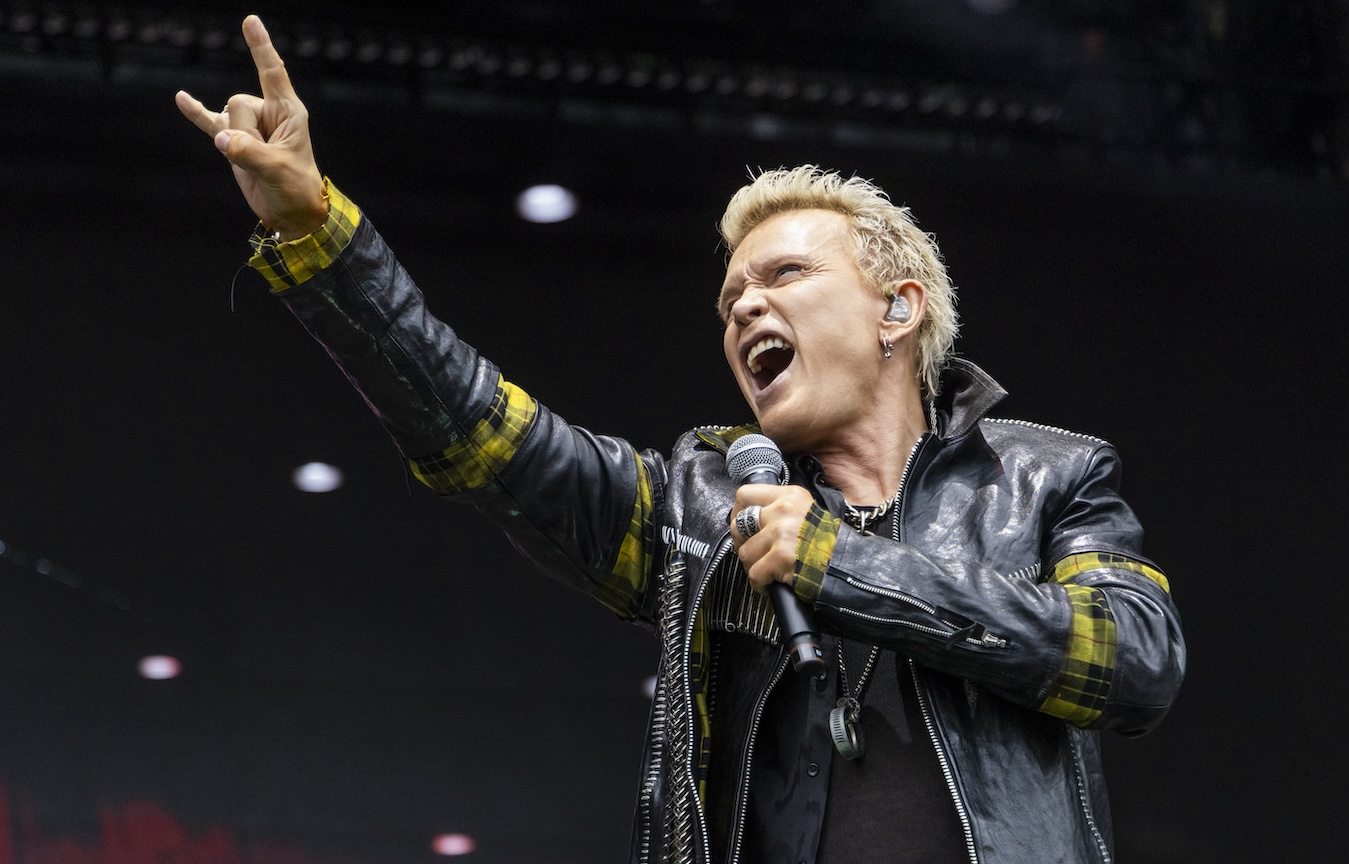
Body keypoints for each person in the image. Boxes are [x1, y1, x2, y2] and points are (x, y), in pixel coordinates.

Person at [178, 16, 1185, 864]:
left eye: (783, 276)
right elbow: (480, 432)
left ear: (897, 309)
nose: (744, 305)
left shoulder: (1049, 473)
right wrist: (319, 237)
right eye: (728, 297)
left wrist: (844, 568)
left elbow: (1133, 663)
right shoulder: (703, 513)